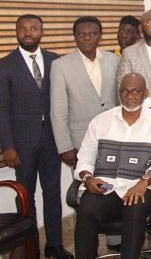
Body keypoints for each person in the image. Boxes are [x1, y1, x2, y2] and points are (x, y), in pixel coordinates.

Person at [0, 14, 73, 259]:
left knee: (52, 193)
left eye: (33, 28)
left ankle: (55, 244)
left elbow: (64, 101)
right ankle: (31, 250)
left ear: (41, 31)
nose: (28, 33)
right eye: (22, 29)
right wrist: (8, 146)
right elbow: (1, 109)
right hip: (22, 144)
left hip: (51, 139)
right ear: (16, 32)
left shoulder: (54, 61)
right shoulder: (5, 64)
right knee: (25, 195)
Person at [73, 73, 151, 259]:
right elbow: (84, 158)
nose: (130, 96)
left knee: (135, 208)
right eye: (125, 91)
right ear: (119, 94)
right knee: (86, 209)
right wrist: (87, 180)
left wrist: (144, 182)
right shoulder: (100, 121)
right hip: (105, 187)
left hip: (139, 186)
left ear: (145, 93)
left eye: (136, 91)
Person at [51, 16, 120, 169]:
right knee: (84, 187)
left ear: (99, 36)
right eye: (82, 34)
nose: (87, 37)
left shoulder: (114, 60)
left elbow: (119, 99)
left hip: (114, 135)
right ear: (75, 37)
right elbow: (58, 111)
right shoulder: (60, 66)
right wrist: (65, 147)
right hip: (80, 141)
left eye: (92, 34)